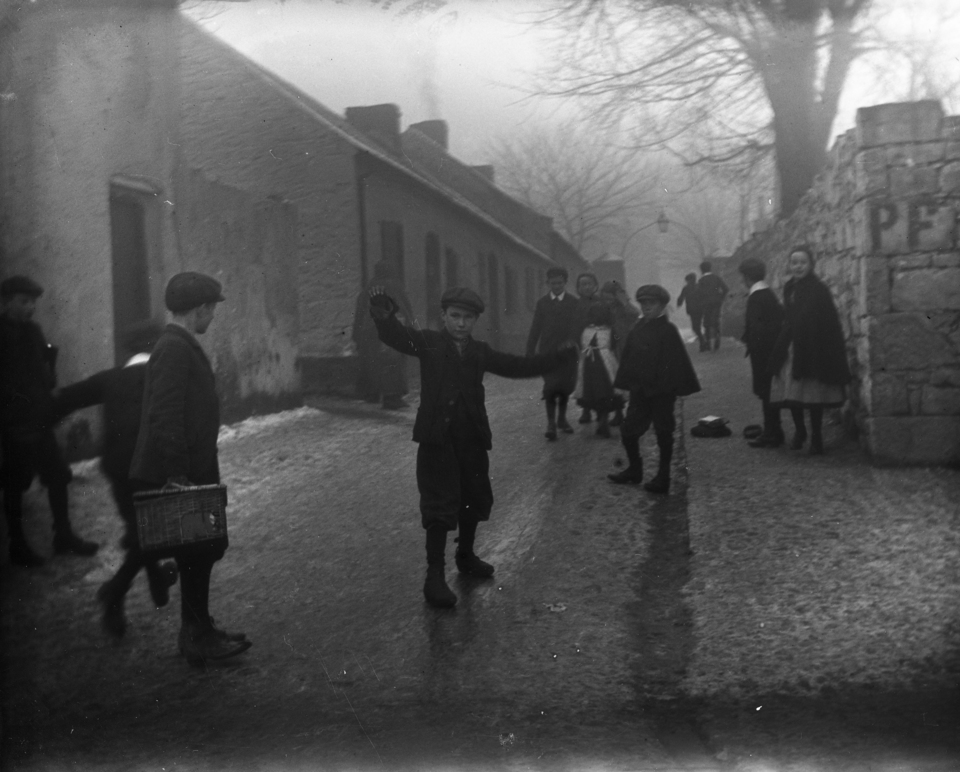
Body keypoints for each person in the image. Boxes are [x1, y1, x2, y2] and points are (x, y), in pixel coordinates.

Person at [368, 284, 576, 608]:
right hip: (438, 438)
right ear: (443, 316)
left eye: (468, 318)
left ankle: (466, 556)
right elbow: (397, 336)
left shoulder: (480, 352)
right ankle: (433, 576)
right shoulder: (429, 343)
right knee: (439, 505)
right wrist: (384, 316)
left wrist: (557, 357)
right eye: (455, 316)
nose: (461, 323)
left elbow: (516, 366)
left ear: (476, 320)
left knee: (472, 499)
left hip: (472, 436)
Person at [129, 272, 251, 666]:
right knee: (198, 550)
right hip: (180, 471)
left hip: (191, 466)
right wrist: (178, 475)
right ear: (200, 309)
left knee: (203, 549)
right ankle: (195, 634)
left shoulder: (177, 344)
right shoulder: (175, 347)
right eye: (212, 309)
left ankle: (199, 627)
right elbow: (165, 415)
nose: (212, 317)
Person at [53, 321, 179, 638]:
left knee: (141, 531)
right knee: (152, 535)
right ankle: (115, 591)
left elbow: (66, 398)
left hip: (117, 469)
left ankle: (155, 580)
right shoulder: (165, 379)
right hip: (150, 468)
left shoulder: (110, 378)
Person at [1, 275, 98, 567]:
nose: (29, 308)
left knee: (57, 475)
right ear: (6, 302)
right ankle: (17, 545)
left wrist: (49, 380)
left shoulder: (33, 331)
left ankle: (63, 535)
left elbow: (42, 371)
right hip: (15, 423)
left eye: (32, 303)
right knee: (15, 484)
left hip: (39, 419)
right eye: (23, 302)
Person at [608, 285, 701, 494]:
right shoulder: (638, 327)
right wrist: (627, 383)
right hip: (640, 391)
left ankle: (663, 476)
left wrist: (666, 387)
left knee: (664, 432)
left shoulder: (668, 331)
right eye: (643, 303)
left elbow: (676, 363)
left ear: (662, 306)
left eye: (652, 304)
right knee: (629, 431)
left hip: (661, 392)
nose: (647, 307)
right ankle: (634, 469)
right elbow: (629, 357)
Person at [768, 246, 851, 455]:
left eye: (802, 262)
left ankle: (816, 436)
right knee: (791, 392)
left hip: (813, 346)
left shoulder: (818, 289)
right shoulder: (789, 287)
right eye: (794, 262)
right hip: (793, 345)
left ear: (811, 265)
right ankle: (800, 430)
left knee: (813, 395)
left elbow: (828, 319)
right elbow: (789, 315)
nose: (798, 267)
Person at [526, 267, 581, 440]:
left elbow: (576, 325)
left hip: (567, 352)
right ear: (547, 283)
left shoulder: (573, 302)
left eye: (559, 282)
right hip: (547, 351)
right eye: (553, 283)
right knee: (550, 386)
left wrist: (572, 340)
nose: (556, 286)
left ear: (565, 283)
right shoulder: (542, 303)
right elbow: (536, 327)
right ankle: (551, 423)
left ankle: (562, 419)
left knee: (565, 386)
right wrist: (530, 350)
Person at [352, 261, 415, 410]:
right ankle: (392, 398)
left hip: (368, 331)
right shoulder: (394, 286)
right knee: (392, 361)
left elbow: (359, 314)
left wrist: (356, 336)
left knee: (371, 361)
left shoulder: (367, 288)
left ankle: (371, 394)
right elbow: (404, 308)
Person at [738, 259, 787, 449]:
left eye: (743, 277)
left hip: (763, 353)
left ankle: (772, 433)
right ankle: (773, 429)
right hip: (770, 349)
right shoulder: (767, 293)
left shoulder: (756, 297)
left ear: (748, 278)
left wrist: (751, 342)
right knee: (769, 391)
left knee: (766, 392)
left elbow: (757, 327)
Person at [574, 304, 623, 439]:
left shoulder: (585, 330)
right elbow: (613, 345)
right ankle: (604, 421)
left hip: (589, 363)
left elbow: (580, 344)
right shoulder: (610, 330)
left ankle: (601, 420)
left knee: (594, 392)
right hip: (605, 363)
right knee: (606, 391)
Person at [598, 280, 640, 427]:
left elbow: (635, 313)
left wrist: (624, 302)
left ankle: (634, 412)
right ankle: (618, 413)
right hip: (611, 346)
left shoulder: (624, 307)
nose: (608, 301)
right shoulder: (603, 308)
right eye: (605, 298)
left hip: (627, 346)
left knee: (631, 380)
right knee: (614, 382)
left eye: (610, 298)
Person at [574, 272, 602, 424]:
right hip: (584, 346)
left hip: (599, 346)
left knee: (600, 379)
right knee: (585, 379)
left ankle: (599, 410)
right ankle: (586, 410)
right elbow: (575, 325)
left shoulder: (601, 302)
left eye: (589, 284)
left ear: (595, 285)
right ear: (578, 288)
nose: (586, 287)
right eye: (582, 285)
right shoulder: (577, 305)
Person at [696, 261, 729, 351]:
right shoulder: (716, 278)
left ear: (702, 270)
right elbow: (726, 289)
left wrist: (700, 302)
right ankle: (717, 338)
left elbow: (698, 294)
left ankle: (708, 343)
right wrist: (720, 298)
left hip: (706, 304)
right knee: (716, 321)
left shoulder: (701, 280)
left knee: (706, 322)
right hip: (716, 302)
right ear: (710, 268)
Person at [677, 272, 704, 350]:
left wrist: (679, 304)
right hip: (699, 309)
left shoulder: (686, 288)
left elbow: (681, 298)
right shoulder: (699, 287)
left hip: (692, 310)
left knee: (695, 327)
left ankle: (702, 341)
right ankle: (703, 341)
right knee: (697, 326)